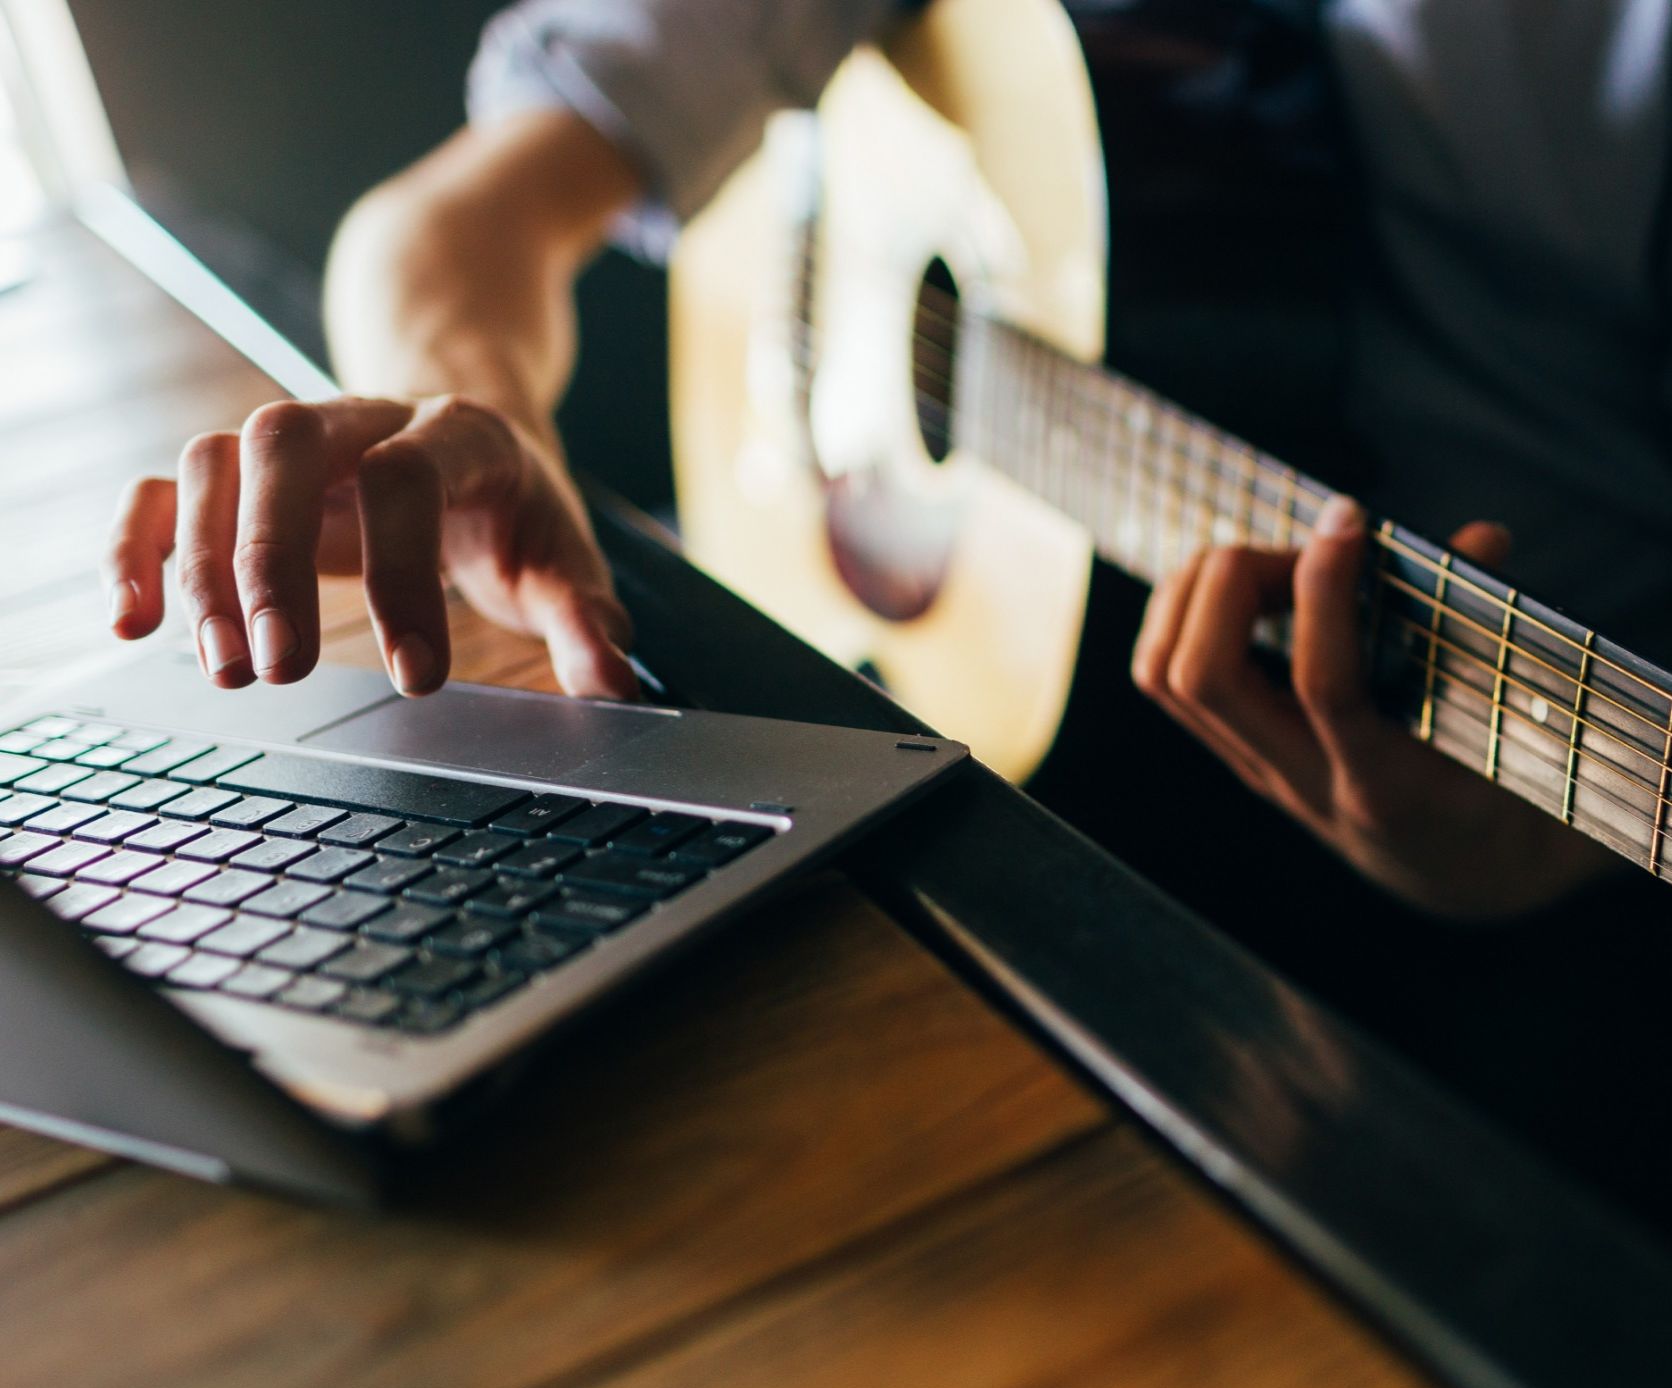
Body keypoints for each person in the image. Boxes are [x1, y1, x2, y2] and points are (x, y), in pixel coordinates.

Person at [99, 1, 1672, 1175]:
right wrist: (472, 409)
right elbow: (443, 224)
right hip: (1000, 711)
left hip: (1465, 810)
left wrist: (1494, 864)